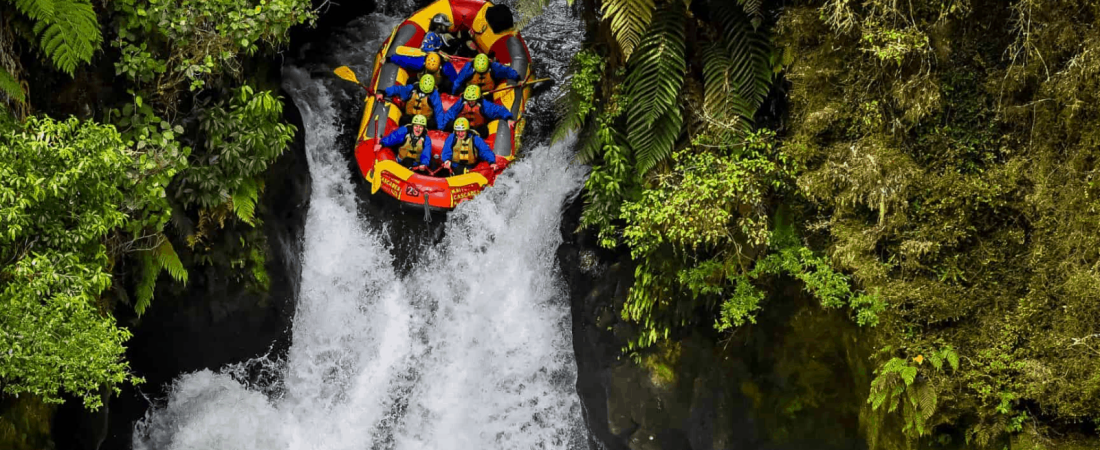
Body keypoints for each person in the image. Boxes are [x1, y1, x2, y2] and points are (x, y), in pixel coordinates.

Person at [378, 76, 447, 129]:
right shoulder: (412, 88)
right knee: (403, 120)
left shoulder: (434, 95)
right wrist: (384, 92)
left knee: (432, 124)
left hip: (425, 121)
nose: (422, 93)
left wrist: (440, 127)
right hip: (411, 117)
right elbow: (399, 89)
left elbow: (439, 111)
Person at [443, 85, 514, 135]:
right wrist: (442, 127)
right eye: (469, 100)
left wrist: (508, 118)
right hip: (461, 127)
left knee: (484, 131)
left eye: (473, 100)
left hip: (477, 128)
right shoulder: (461, 103)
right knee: (450, 124)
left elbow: (499, 110)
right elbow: (450, 113)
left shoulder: (484, 105)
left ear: (477, 98)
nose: (470, 102)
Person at [389, 51, 459, 92]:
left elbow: (455, 79)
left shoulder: (446, 68)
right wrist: (390, 59)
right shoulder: (420, 63)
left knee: (448, 84)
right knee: (410, 81)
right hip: (420, 82)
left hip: (437, 86)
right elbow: (405, 61)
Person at [451, 53, 521, 95]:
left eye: (483, 72)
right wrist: (453, 93)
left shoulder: (494, 67)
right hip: (471, 94)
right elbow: (458, 81)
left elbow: (507, 71)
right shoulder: (468, 68)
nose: (481, 74)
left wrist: (518, 79)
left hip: (488, 94)